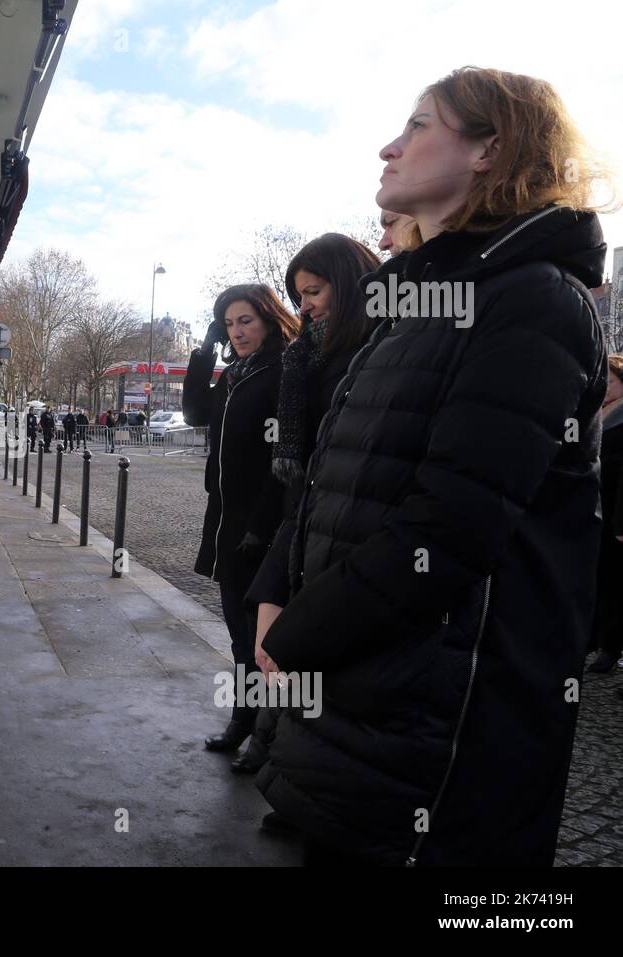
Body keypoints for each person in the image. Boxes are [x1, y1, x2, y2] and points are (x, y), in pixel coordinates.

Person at [254, 67, 613, 866]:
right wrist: (276, 589)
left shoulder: (534, 301)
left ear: (490, 148)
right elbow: (327, 475)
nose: (389, 147)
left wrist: (299, 633)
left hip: (442, 729)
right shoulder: (416, 298)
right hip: (359, 696)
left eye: (419, 126)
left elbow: (449, 525)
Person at [243, 232, 384, 788]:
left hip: (346, 530)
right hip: (299, 517)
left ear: (347, 284)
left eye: (314, 291)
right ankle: (272, 746)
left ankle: (290, 767)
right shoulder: (307, 355)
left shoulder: (375, 349)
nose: (304, 305)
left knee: (307, 658)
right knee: (271, 648)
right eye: (298, 295)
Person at [182, 285, 299, 768]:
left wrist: (263, 523)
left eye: (245, 320)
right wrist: (204, 351)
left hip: (263, 525)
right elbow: (193, 412)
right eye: (229, 323)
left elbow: (284, 458)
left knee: (265, 639)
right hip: (226, 521)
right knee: (238, 634)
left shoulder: (284, 371)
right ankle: (242, 721)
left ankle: (266, 739)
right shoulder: (234, 375)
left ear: (269, 319)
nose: (237, 331)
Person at [588, 354, 623, 673]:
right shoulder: (594, 413)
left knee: (615, 581)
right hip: (594, 509)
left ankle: (611, 646)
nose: (607, 386)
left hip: (615, 510)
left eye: (612, 381)